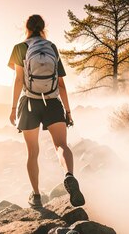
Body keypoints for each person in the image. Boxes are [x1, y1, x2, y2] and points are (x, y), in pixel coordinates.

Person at [7, 14, 85, 208]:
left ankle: (36, 196)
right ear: (43, 28)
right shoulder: (51, 47)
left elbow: (18, 80)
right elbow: (61, 84)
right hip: (52, 102)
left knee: (32, 152)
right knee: (61, 146)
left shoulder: (20, 48)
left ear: (26, 28)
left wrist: (14, 108)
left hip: (30, 103)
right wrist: (67, 111)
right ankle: (69, 175)